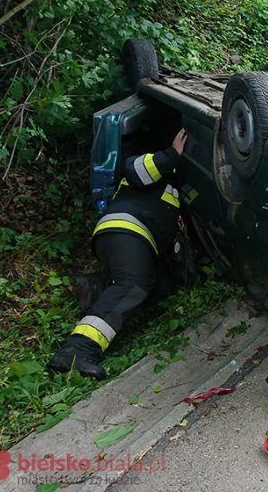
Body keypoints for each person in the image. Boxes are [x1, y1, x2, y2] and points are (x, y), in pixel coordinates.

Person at [47, 129, 189, 379]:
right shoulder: (141, 165)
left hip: (132, 238)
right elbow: (136, 170)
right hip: (126, 229)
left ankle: (97, 286)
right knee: (134, 284)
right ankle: (77, 349)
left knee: (155, 285)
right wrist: (172, 155)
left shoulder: (173, 190)